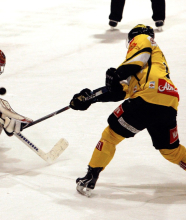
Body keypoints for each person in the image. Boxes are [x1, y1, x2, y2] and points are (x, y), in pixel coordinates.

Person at [69, 24, 186, 197]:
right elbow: (119, 91)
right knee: (170, 150)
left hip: (148, 96)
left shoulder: (144, 40)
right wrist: (90, 97)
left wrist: (118, 73)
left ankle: (90, 176)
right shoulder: (148, 68)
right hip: (168, 100)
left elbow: (138, 57)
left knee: (111, 136)